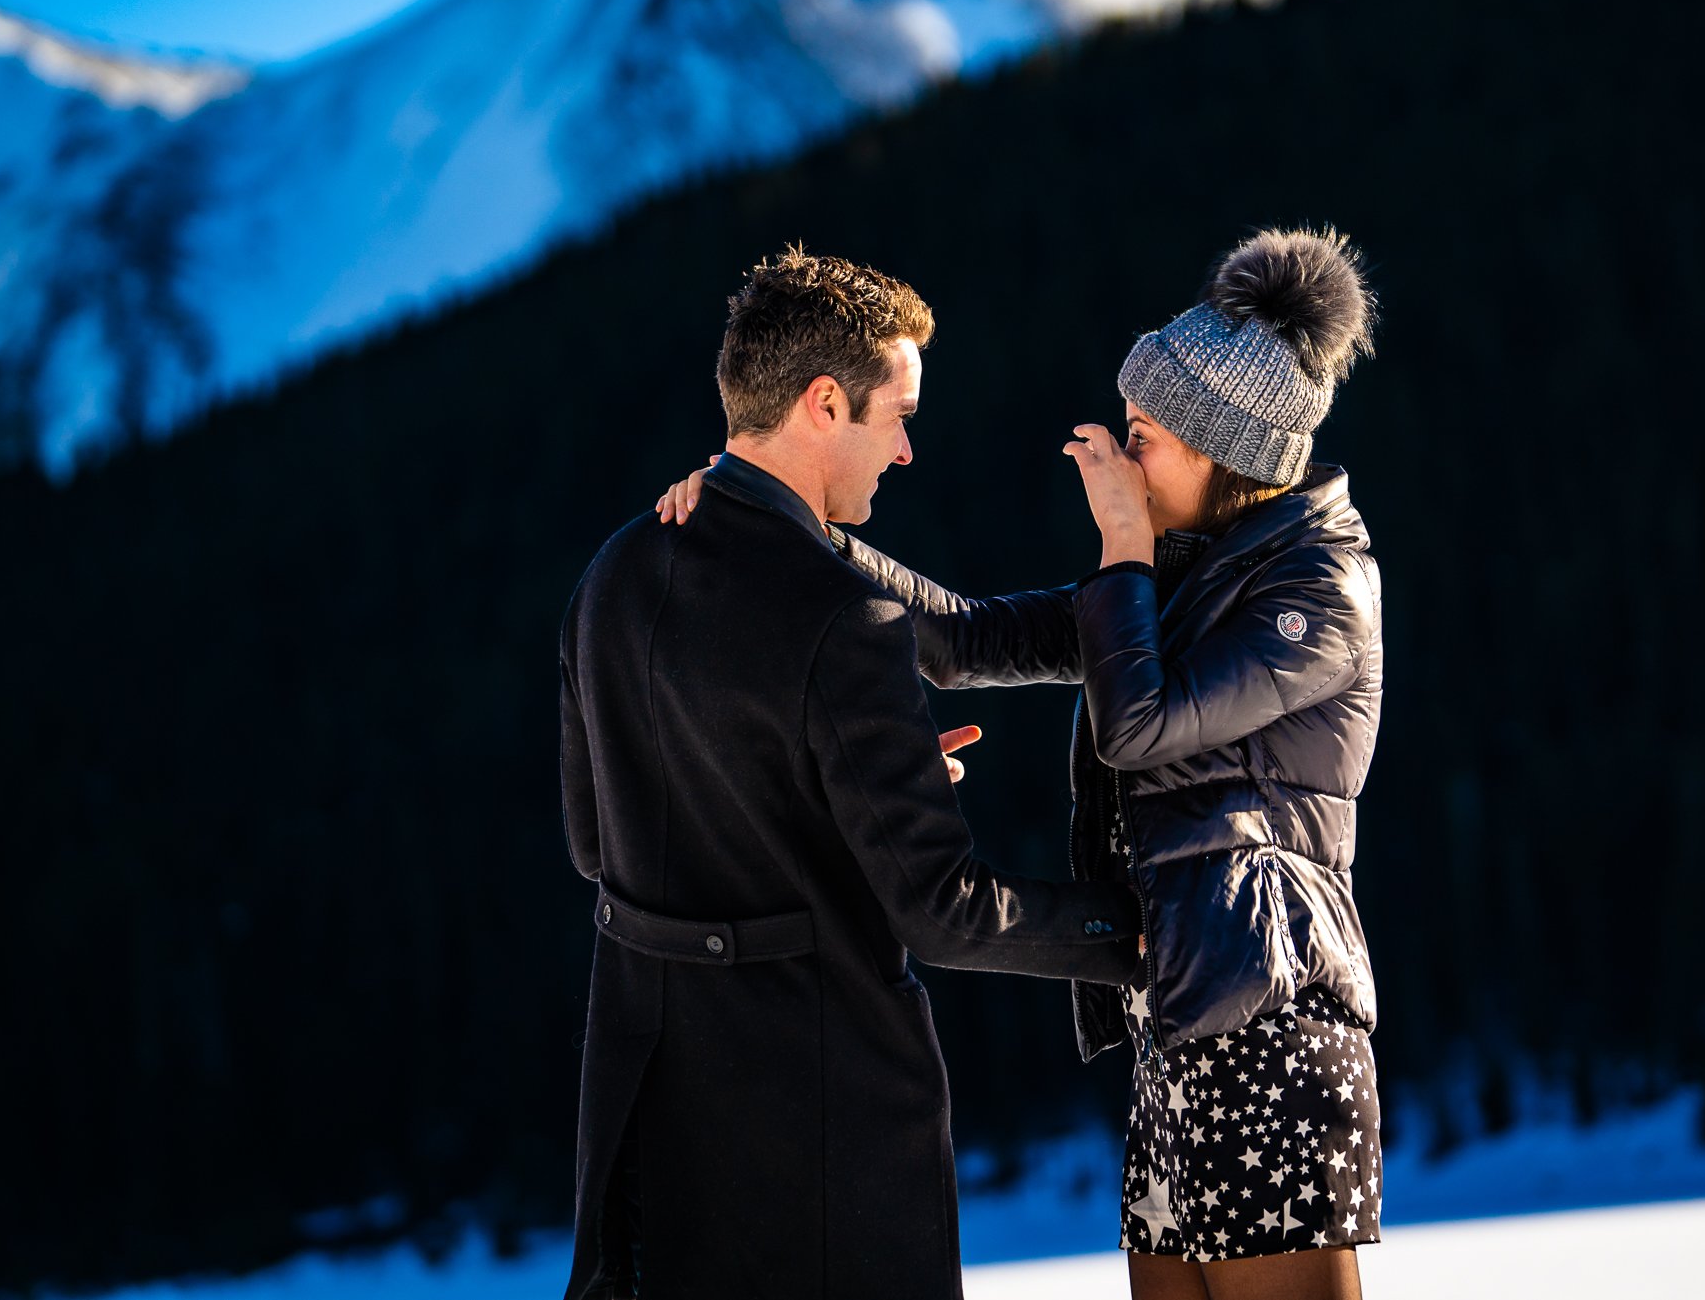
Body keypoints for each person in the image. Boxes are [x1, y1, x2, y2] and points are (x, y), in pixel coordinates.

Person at [658, 227, 1385, 1299]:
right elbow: (965, 640)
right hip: (1176, 1024)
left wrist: (1124, 551)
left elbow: (1139, 723)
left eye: (1141, 437)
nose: (1118, 461)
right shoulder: (1179, 579)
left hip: (1274, 1029)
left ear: (1222, 445)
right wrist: (772, 516)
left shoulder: (1319, 595)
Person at [560, 249, 1143, 1300]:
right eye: (897, 415)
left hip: (645, 1104)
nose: (910, 450)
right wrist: (1138, 928)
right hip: (815, 1122)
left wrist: (1135, 587)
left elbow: (596, 840)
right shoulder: (843, 615)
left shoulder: (615, 569)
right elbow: (948, 914)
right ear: (825, 402)